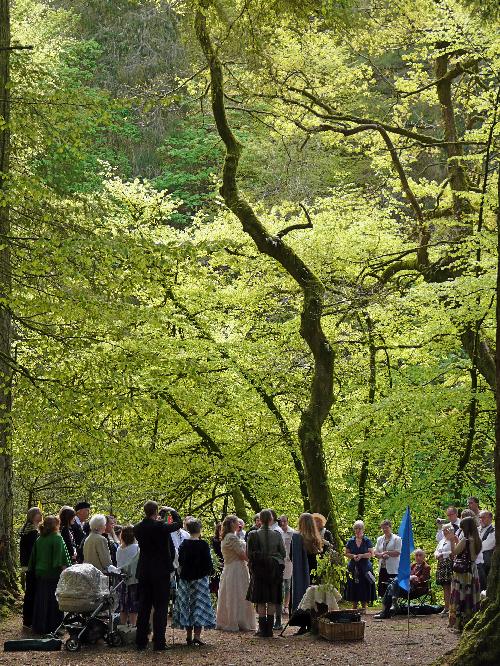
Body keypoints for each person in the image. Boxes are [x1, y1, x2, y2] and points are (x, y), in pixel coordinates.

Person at [133, 502, 182, 651]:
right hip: (160, 571)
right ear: (155, 511)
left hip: (144, 570)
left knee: (144, 607)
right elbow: (178, 524)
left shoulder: (137, 527)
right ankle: (159, 641)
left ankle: (140, 641)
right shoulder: (160, 527)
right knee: (160, 607)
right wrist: (172, 511)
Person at [173, 519, 216, 645]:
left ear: (188, 529)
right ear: (200, 529)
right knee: (199, 606)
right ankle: (197, 636)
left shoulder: (183, 544)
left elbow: (179, 561)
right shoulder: (203, 545)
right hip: (200, 579)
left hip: (186, 579)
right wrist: (209, 572)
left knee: (187, 605)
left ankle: (188, 635)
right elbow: (208, 564)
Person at [29, 515, 71, 634]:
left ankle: (39, 626)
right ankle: (54, 627)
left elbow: (33, 557)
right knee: (54, 600)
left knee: (41, 599)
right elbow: (60, 558)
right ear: (55, 525)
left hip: (40, 573)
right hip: (53, 573)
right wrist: (65, 572)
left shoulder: (40, 539)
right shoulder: (57, 538)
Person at [247, 509, 286, 638]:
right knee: (273, 599)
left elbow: (249, 554)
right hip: (274, 570)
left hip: (259, 570)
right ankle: (269, 630)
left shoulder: (253, 535)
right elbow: (283, 553)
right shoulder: (277, 534)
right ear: (271, 520)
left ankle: (262, 630)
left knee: (261, 600)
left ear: (260, 520)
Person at [216, 514, 256, 632]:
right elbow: (242, 554)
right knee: (237, 593)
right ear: (231, 524)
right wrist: (253, 561)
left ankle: (230, 619)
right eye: (236, 522)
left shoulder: (228, 537)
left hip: (230, 568)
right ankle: (237, 621)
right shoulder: (231, 538)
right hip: (236, 569)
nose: (238, 525)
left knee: (231, 594)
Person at [374, 549, 431, 619]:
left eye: (420, 555)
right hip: (406, 587)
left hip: (416, 589)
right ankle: (390, 606)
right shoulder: (412, 565)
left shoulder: (426, 567)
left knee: (392, 584)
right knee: (392, 585)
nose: (418, 557)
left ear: (424, 556)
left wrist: (411, 578)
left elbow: (422, 580)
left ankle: (386, 610)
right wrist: (410, 577)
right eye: (416, 555)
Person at [447, 516, 482, 633]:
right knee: (471, 597)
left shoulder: (466, 540)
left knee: (460, 597)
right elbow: (472, 557)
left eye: (462, 528)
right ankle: (471, 620)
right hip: (472, 571)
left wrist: (452, 541)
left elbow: (454, 552)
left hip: (462, 574)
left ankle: (458, 623)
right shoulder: (477, 539)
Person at [290, 512, 323, 615]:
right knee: (312, 594)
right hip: (313, 570)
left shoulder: (296, 537)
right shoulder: (315, 538)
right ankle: (312, 620)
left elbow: (292, 555)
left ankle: (302, 621)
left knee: (303, 595)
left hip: (300, 571)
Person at [344, 520, 376, 613]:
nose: (358, 530)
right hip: (353, 567)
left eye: (359, 528)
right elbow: (346, 553)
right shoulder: (350, 541)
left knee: (364, 587)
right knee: (353, 586)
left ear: (363, 529)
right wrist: (353, 556)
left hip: (365, 568)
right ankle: (354, 607)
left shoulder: (367, 541)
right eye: (356, 528)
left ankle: (363, 608)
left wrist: (361, 556)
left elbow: (372, 554)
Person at [19, 507, 42, 629]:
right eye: (38, 514)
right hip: (31, 565)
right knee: (31, 592)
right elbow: (34, 551)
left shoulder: (29, 529)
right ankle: (28, 619)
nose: (41, 516)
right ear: (33, 516)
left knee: (30, 591)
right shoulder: (32, 531)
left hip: (29, 565)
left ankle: (29, 619)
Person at [116, 525, 140, 627]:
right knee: (133, 606)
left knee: (123, 606)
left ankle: (122, 627)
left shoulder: (119, 549)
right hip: (133, 580)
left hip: (121, 580)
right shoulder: (136, 548)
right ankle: (133, 627)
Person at [374, 519, 402, 597]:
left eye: (386, 527)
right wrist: (381, 555)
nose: (385, 530)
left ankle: (392, 606)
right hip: (382, 567)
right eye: (383, 528)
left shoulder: (397, 539)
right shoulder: (380, 539)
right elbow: (375, 552)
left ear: (390, 527)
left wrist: (387, 553)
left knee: (392, 589)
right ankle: (384, 607)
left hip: (393, 568)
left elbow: (398, 552)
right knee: (383, 588)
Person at [435, 522, 454, 614]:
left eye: (446, 530)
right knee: (444, 586)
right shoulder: (442, 541)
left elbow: (453, 551)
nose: (445, 532)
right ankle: (446, 607)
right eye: (444, 530)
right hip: (441, 564)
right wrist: (437, 555)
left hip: (449, 563)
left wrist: (443, 554)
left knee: (450, 585)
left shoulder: (452, 540)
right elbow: (437, 550)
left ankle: (451, 607)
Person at [278, 515, 294, 618]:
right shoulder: (277, 532)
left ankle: (286, 606)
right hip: (279, 561)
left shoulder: (292, 532)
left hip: (288, 562)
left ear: (287, 521)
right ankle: (278, 605)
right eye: (281, 521)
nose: (283, 523)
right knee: (279, 585)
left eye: (284, 521)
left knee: (288, 585)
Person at [477, 510, 495, 588]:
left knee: (484, 586)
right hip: (475, 563)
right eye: (480, 517)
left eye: (483, 517)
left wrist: (473, 547)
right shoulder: (477, 529)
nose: (481, 519)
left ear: (491, 518)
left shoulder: (494, 530)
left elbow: (487, 545)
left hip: (486, 563)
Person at [210, 522, 223, 597]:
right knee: (217, 583)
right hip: (218, 563)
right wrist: (217, 562)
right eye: (220, 529)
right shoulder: (214, 540)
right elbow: (214, 553)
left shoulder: (228, 539)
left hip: (227, 562)